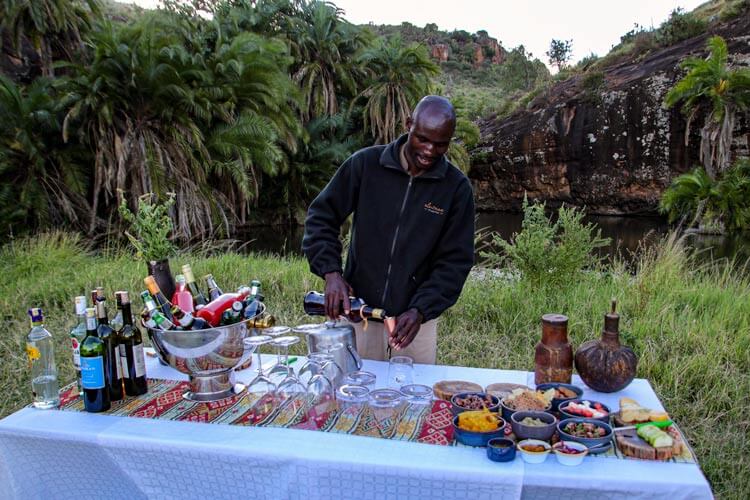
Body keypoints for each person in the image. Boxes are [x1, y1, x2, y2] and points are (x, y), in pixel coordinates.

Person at [302, 95, 475, 364]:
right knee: (350, 395)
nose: (430, 150)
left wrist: (420, 310)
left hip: (414, 325)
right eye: (423, 139)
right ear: (409, 125)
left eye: (440, 144)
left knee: (412, 402)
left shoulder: (456, 188)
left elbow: (455, 262)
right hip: (357, 314)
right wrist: (331, 272)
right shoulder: (365, 165)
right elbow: (321, 216)